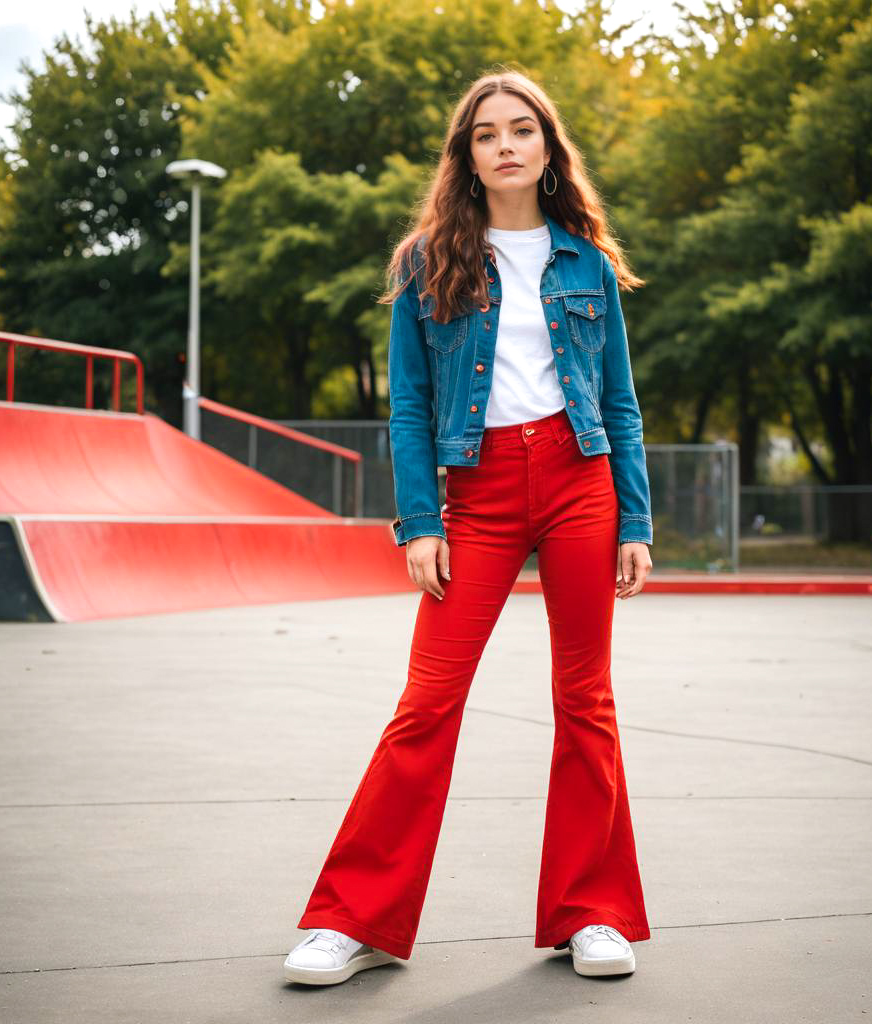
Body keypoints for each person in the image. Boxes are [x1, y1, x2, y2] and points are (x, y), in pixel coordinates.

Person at [284, 69, 654, 986]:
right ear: (468, 156)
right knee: (428, 702)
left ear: (547, 146)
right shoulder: (427, 260)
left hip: (580, 478)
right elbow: (408, 406)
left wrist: (633, 516)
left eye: (521, 129)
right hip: (478, 493)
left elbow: (622, 403)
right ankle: (351, 919)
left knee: (586, 700)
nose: (505, 146)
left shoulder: (586, 262)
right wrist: (419, 520)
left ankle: (593, 914)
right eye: (486, 134)